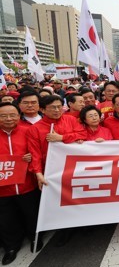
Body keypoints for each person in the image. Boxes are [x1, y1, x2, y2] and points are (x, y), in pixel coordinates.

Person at [26, 95, 86, 247]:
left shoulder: (70, 120)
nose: (57, 110)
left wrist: (62, 137)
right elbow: (35, 154)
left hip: (73, 169)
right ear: (42, 109)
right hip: (51, 172)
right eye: (52, 107)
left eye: (59, 106)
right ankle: (61, 229)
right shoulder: (35, 129)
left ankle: (75, 226)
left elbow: (82, 134)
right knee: (56, 202)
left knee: (73, 198)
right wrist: (38, 174)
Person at [0, 103, 40, 265]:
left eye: (12, 115)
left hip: (27, 184)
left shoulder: (28, 131)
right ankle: (11, 247)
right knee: (6, 219)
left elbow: (37, 152)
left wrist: (31, 158)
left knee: (31, 213)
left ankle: (34, 238)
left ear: (19, 116)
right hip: (3, 189)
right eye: (3, 115)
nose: (9, 119)